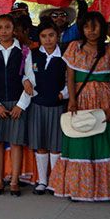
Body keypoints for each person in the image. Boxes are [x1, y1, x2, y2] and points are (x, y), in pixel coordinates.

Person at [49, 12, 110, 201]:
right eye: (87, 27)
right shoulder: (74, 48)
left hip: (103, 102)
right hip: (80, 101)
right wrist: (72, 100)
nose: (92, 31)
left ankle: (102, 190)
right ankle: (78, 189)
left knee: (101, 141)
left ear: (102, 28)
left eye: (95, 26)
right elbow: (70, 76)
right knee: (79, 138)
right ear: (82, 29)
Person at [0, 14, 35, 196]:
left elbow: (30, 79)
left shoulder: (24, 51)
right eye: (0, 27)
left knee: (16, 143)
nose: (3, 31)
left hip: (17, 103)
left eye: (7, 27)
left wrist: (21, 105)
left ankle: (14, 181)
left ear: (14, 30)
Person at [28, 20, 68, 195]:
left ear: (57, 36)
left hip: (57, 105)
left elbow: (70, 80)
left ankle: (55, 180)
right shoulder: (33, 54)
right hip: (37, 104)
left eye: (51, 35)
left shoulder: (65, 55)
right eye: (43, 36)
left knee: (55, 145)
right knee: (41, 143)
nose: (48, 39)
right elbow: (26, 75)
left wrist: (62, 94)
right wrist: (26, 83)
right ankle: (43, 181)